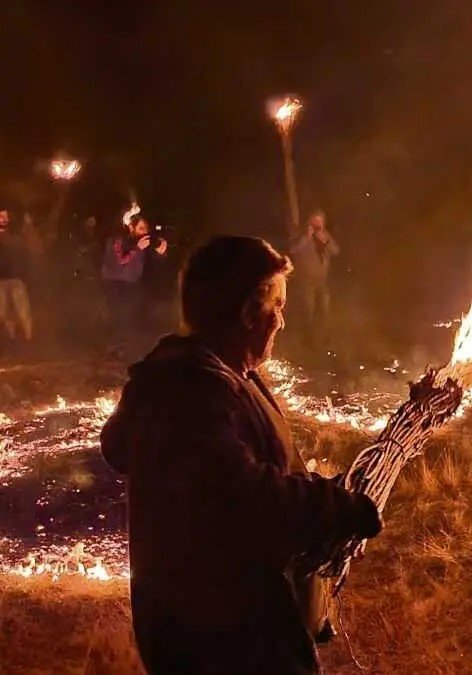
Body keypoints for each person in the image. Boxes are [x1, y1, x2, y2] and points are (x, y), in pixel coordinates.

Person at [100, 236, 382, 674]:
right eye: (278, 306)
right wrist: (338, 507)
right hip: (221, 644)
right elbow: (245, 498)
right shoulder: (191, 393)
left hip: (244, 629)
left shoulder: (224, 375)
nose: (283, 322)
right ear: (249, 314)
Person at [101, 213, 168, 356]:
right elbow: (121, 261)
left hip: (132, 282)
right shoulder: (118, 240)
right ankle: (114, 347)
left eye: (146, 229)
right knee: (119, 315)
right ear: (131, 227)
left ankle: (126, 347)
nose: (144, 232)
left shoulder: (143, 242)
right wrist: (137, 249)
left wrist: (160, 253)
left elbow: (152, 264)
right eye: (141, 228)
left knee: (132, 314)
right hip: (115, 282)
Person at [289, 210, 340, 346]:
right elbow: (293, 251)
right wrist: (307, 237)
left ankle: (325, 337)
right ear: (310, 222)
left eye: (320, 221)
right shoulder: (302, 237)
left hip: (322, 281)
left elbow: (335, 251)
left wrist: (326, 241)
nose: (318, 224)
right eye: (315, 221)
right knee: (308, 310)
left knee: (324, 310)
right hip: (306, 281)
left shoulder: (324, 236)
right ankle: (307, 338)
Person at [0, 209, 34, 343]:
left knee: (22, 310)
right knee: (4, 313)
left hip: (16, 279)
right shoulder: (11, 240)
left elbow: (28, 252)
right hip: (2, 281)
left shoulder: (16, 239)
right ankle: (13, 339)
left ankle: (29, 338)